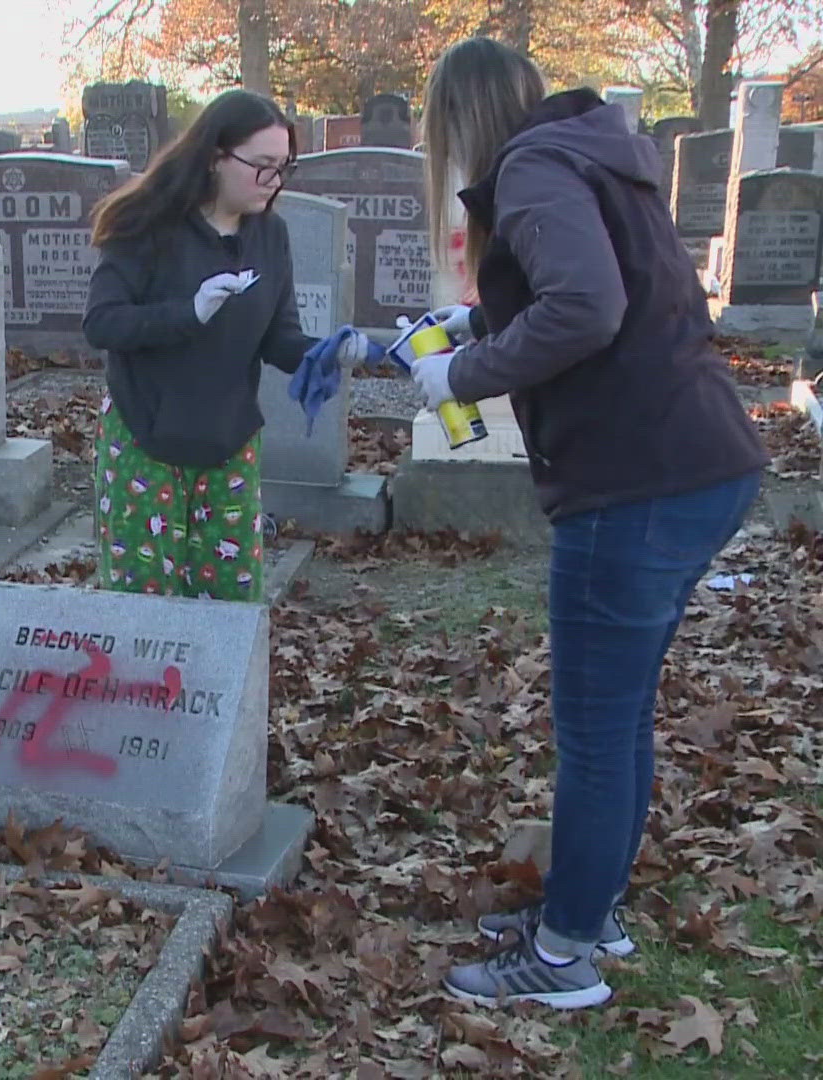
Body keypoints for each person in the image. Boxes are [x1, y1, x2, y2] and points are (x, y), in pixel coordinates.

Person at [414, 38, 768, 1009]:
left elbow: (587, 307)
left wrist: (462, 376)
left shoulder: (530, 169)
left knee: (598, 730)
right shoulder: (581, 152)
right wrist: (471, 329)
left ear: (458, 119)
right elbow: (590, 288)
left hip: (636, 480)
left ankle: (563, 956)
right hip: (692, 463)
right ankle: (590, 911)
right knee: (619, 720)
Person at [82, 89, 370, 602]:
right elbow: (103, 323)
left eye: (284, 168)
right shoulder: (147, 224)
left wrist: (323, 352)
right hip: (147, 437)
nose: (274, 181)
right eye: (262, 166)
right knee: (144, 603)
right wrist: (188, 313)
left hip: (229, 441)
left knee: (231, 605)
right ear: (216, 157)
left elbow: (278, 335)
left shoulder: (270, 234)